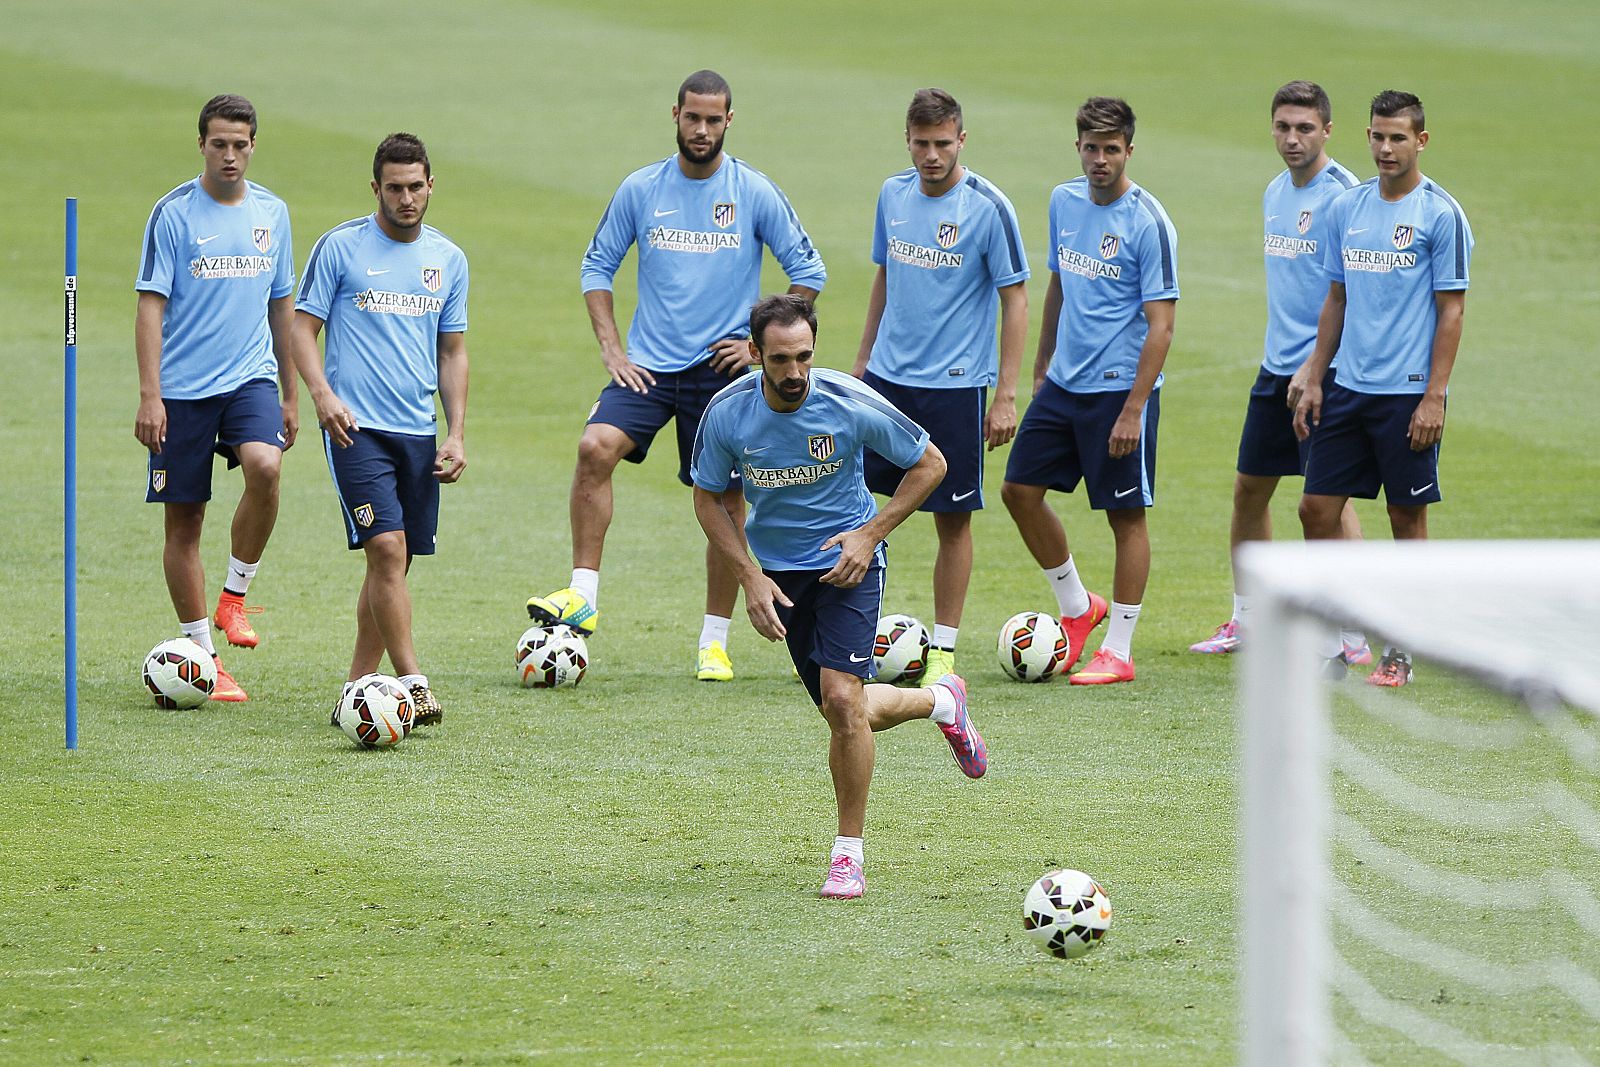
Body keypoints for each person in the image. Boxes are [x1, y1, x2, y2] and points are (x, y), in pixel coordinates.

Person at [529, 69, 828, 683]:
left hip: (720, 375)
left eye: (713, 119)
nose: (701, 129)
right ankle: (583, 593)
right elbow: (596, 266)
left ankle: (713, 641)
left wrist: (754, 346)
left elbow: (809, 272)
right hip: (648, 369)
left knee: (723, 501)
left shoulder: (753, 191)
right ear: (675, 114)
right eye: (692, 117)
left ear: (729, 121)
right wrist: (613, 348)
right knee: (594, 449)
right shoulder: (642, 189)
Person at [691, 295, 985, 900]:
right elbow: (708, 497)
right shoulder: (726, 414)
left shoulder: (848, 401)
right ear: (754, 355)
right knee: (843, 710)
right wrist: (749, 577)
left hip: (850, 565)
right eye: (779, 360)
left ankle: (847, 855)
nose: (794, 372)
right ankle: (940, 702)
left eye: (804, 357)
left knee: (842, 701)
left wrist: (870, 533)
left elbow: (931, 464)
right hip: (779, 576)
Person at [1291, 90, 1472, 687]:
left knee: (1405, 519)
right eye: (1377, 136)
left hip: (1407, 394)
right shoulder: (1349, 208)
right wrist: (1316, 373)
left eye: (1398, 137)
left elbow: (1451, 313)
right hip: (1349, 387)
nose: (1385, 148)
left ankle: (1402, 649)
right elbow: (1336, 298)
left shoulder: (1440, 215)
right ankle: (1338, 641)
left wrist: (1434, 396)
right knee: (1316, 508)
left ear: (1421, 140)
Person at [289, 133, 469, 724]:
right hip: (354, 427)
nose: (407, 198)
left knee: (393, 564)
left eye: (416, 186)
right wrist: (322, 395)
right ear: (376, 189)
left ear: (430, 185)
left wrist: (457, 430)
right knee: (387, 550)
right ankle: (413, 682)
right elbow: (300, 329)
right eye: (394, 187)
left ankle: (357, 685)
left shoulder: (448, 260)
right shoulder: (341, 248)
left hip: (417, 431)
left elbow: (453, 352)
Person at [1000, 97, 1178, 685]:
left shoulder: (1148, 222)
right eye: (1090, 148)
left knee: (1125, 516)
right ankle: (1078, 607)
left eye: (1111, 149)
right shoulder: (1063, 200)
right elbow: (1059, 280)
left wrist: (1134, 409)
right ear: (1077, 146)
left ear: (1130, 149)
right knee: (1018, 491)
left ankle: (1119, 651)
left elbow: (1162, 325)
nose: (1099, 160)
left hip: (1118, 393)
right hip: (1064, 384)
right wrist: (1044, 359)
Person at [851, 88, 1029, 680]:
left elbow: (1015, 298)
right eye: (922, 144)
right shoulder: (892, 193)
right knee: (855, 503)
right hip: (885, 380)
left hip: (955, 387)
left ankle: (945, 650)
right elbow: (885, 277)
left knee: (952, 519)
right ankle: (851, 634)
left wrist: (1005, 393)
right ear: (907, 140)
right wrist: (861, 362)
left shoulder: (988, 207)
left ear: (962, 140)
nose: (932, 155)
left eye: (942, 144)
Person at [1189, 81, 1369, 662]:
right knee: (1249, 491)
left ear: (1327, 131)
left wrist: (1317, 369)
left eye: (1305, 128)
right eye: (1283, 127)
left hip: (1328, 372)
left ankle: (1353, 632)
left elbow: (1352, 295)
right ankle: (1249, 620)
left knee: (1331, 502)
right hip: (1276, 371)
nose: (1292, 139)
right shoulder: (1273, 191)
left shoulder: (1345, 198)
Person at [134, 93, 297, 703]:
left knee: (266, 465)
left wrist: (289, 392)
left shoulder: (273, 214)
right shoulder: (173, 214)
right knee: (186, 521)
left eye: (240, 144)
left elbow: (282, 305)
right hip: (181, 393)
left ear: (254, 145)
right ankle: (202, 653)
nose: (230, 156)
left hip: (248, 379)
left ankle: (235, 596)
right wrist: (151, 395)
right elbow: (150, 305)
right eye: (219, 144)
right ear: (201, 143)